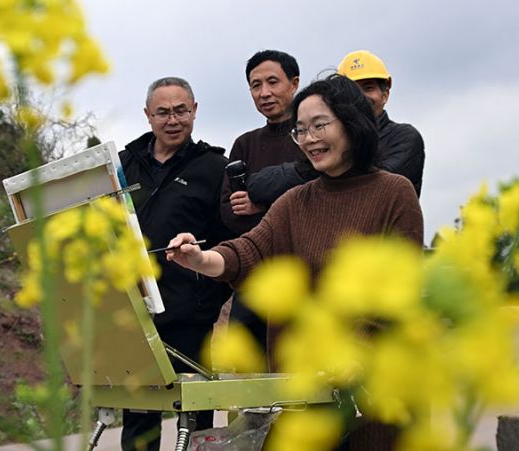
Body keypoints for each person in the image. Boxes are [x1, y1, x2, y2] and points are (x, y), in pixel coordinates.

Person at [167, 74, 423, 451]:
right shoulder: (294, 201)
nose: (309, 139)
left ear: (352, 122)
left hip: (374, 396)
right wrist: (201, 258)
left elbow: (398, 294)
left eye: (320, 125)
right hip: (305, 397)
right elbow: (249, 252)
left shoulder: (394, 193)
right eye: (300, 130)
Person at [118, 77, 232, 451]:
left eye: (181, 110)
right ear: (148, 116)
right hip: (137, 313)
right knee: (139, 417)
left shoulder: (215, 167)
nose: (173, 120)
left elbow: (227, 239)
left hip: (190, 314)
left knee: (197, 416)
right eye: (163, 112)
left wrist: (209, 295)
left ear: (195, 111)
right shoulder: (124, 163)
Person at [219, 50, 313, 352]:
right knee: (247, 370)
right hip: (254, 275)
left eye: (273, 82)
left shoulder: (311, 137)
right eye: (255, 85)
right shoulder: (245, 144)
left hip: (306, 275)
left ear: (294, 83)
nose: (265, 93)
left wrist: (260, 204)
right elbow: (229, 212)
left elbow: (318, 197)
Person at [246, 49, 425, 205]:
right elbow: (256, 186)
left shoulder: (404, 138)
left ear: (385, 94)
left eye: (368, 88)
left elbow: (365, 186)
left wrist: (315, 167)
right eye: (352, 89)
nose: (360, 97)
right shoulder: (320, 137)